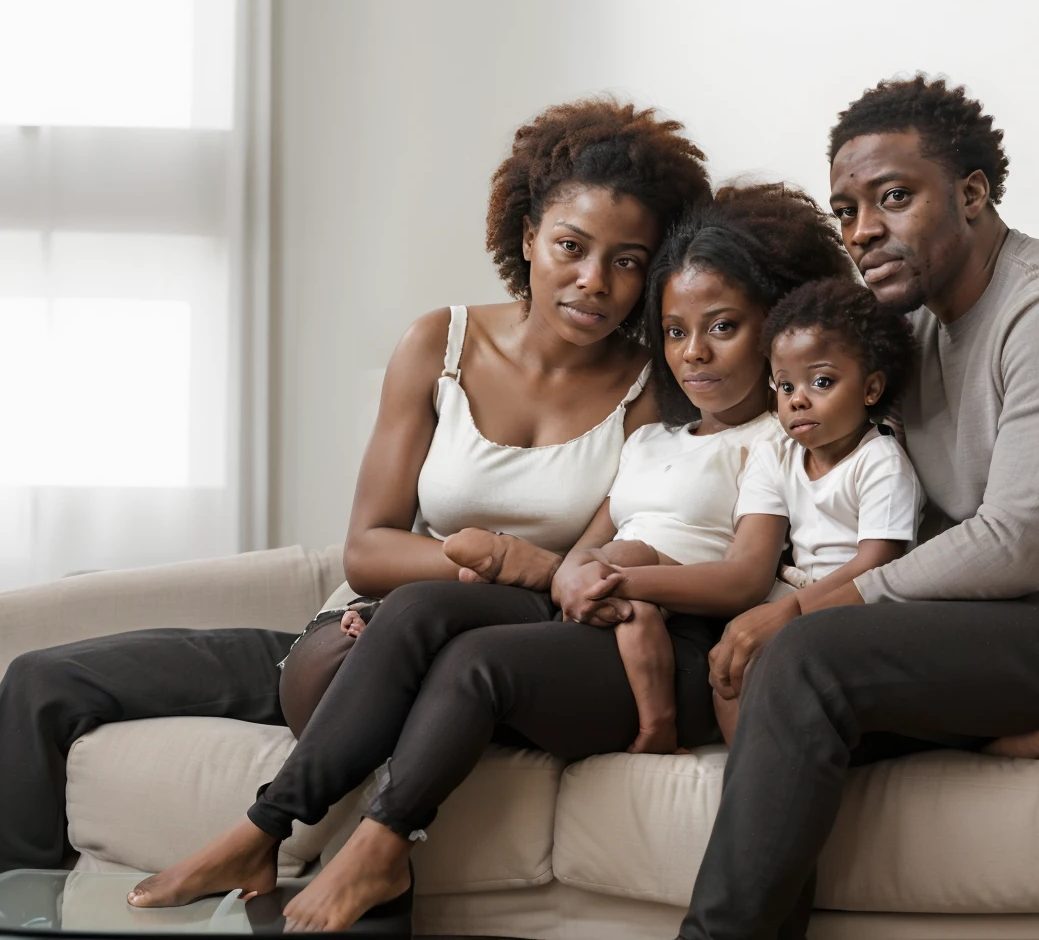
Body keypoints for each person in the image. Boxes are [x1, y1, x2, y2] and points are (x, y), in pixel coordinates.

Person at [0, 97, 710, 872]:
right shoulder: (440, 343)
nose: (593, 281)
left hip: (495, 652)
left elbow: (584, 580)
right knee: (42, 682)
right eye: (571, 246)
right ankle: (27, 908)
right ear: (528, 235)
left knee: (409, 659)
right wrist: (475, 571)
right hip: (361, 629)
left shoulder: (655, 385)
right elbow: (367, 551)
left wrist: (489, 580)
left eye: (627, 261)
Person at [124, 182, 852, 933]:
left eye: (724, 328)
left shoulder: (779, 441)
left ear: (776, 326)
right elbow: (586, 545)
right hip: (601, 611)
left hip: (677, 637)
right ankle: (263, 830)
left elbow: (748, 576)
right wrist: (567, 573)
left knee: (479, 664)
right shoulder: (654, 434)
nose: (693, 352)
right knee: (415, 608)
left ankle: (383, 844)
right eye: (674, 331)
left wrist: (611, 582)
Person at [679, 74, 1039, 940]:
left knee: (807, 659)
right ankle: (1014, 736)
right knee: (765, 682)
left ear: (972, 194)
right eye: (847, 208)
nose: (861, 231)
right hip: (1004, 626)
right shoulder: (909, 334)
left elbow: (1013, 546)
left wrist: (807, 610)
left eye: (894, 197)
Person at [711, 276, 921, 739]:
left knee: (776, 658)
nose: (797, 399)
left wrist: (790, 614)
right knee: (729, 662)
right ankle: (745, 769)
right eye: (784, 386)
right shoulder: (776, 455)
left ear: (871, 389)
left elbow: (877, 563)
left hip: (860, 602)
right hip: (798, 592)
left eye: (821, 381)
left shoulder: (880, 461)